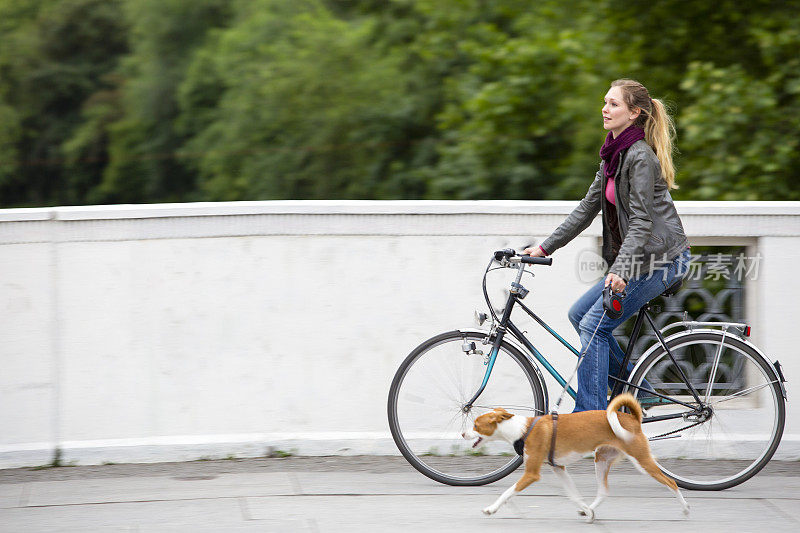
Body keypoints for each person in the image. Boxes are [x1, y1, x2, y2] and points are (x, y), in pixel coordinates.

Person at [524, 79, 691, 412]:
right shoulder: (613, 156)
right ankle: (639, 389)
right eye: (605, 102)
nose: (605, 108)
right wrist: (545, 247)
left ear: (634, 113)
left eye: (614, 104)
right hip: (640, 260)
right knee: (578, 315)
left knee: (593, 325)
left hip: (662, 261)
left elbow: (642, 221)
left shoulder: (640, 157)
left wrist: (621, 270)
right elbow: (588, 208)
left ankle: (589, 416)